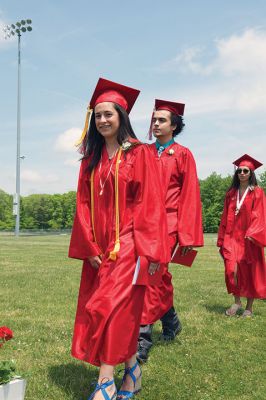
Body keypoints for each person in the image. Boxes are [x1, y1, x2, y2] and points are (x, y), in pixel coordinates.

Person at [68, 78, 170, 400]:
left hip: (129, 242)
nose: (102, 121)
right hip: (99, 247)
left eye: (108, 114)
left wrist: (149, 250)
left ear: (122, 116)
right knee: (119, 311)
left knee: (108, 306)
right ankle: (133, 372)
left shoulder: (139, 154)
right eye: (97, 115)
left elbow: (149, 203)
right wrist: (88, 247)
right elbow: (82, 205)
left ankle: (105, 382)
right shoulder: (90, 161)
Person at [137, 99, 204, 363]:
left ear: (174, 126)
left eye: (161, 120)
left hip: (168, 224)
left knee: (150, 276)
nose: (155, 124)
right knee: (158, 277)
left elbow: (189, 195)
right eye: (153, 119)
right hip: (142, 224)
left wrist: (187, 236)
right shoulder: (143, 152)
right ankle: (172, 320)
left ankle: (143, 338)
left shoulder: (183, 154)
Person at [217, 154, 266, 317]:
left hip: (248, 238)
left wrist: (253, 233)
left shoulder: (257, 192)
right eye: (239, 171)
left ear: (251, 173)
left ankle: (249, 307)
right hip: (231, 238)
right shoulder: (231, 193)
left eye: (245, 170)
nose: (242, 173)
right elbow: (224, 216)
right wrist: (222, 239)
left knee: (249, 271)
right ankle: (237, 302)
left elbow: (260, 215)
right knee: (231, 270)